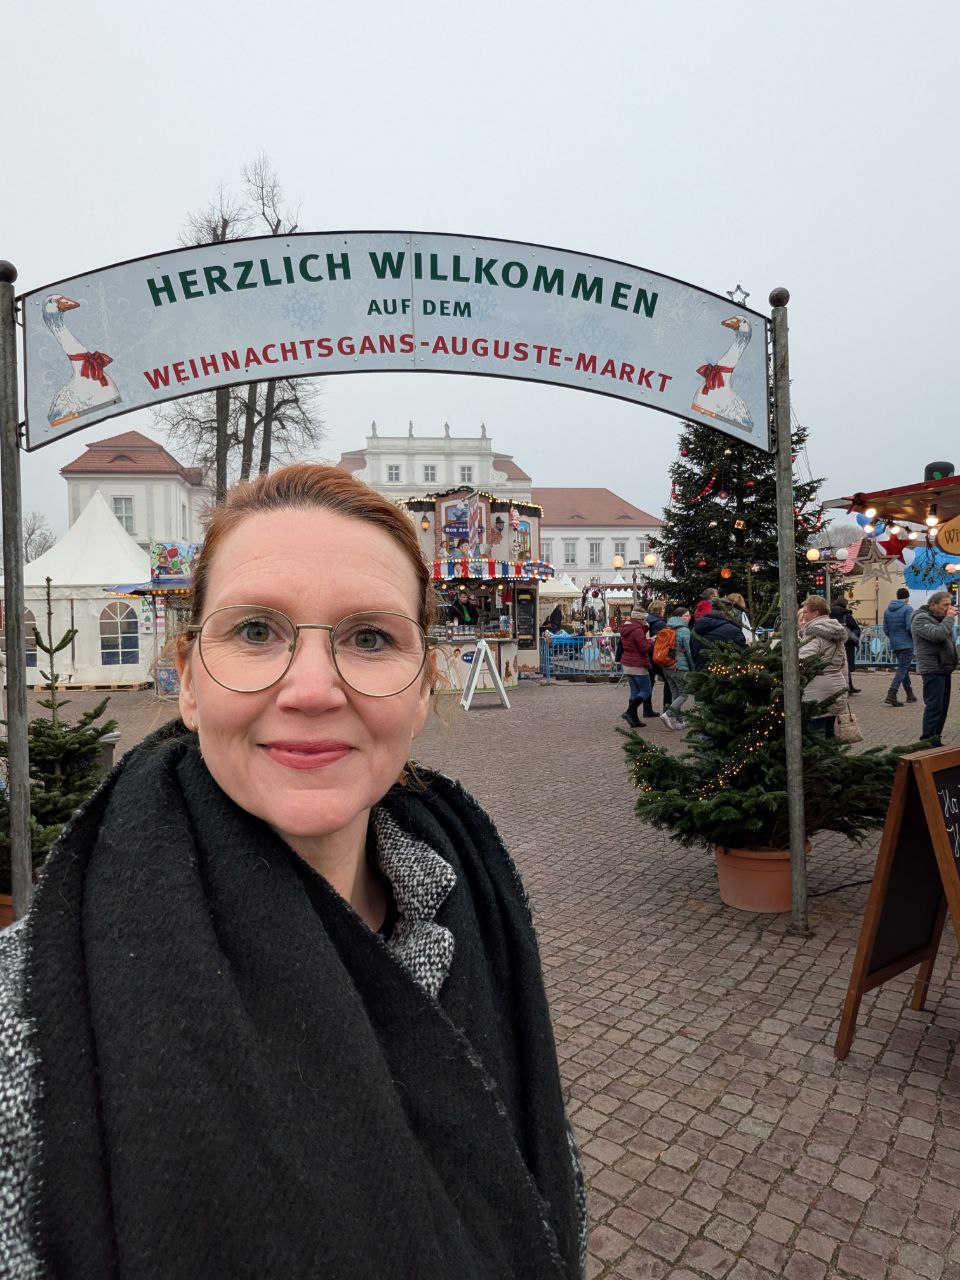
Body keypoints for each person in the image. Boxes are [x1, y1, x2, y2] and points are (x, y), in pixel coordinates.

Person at [0, 465, 584, 1280]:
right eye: (254, 631)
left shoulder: (480, 918)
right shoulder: (28, 1009)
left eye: (370, 638)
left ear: (422, 690)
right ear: (188, 680)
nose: (312, 689)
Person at [911, 589, 959, 743]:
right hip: (933, 668)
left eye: (950, 605)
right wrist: (949, 618)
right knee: (934, 707)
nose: (948, 608)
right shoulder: (920, 619)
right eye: (945, 605)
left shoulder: (939, 619)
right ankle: (927, 740)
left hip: (944, 668)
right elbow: (938, 635)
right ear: (933, 605)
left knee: (942, 708)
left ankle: (936, 739)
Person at [799, 595, 849, 736]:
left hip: (817, 688)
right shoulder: (835, 629)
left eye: (806, 612)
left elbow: (804, 659)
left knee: (816, 734)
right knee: (830, 732)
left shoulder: (815, 632)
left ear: (816, 613)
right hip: (836, 686)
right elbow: (843, 661)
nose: (803, 615)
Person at [659, 605, 694, 730]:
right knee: (684, 693)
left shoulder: (667, 627)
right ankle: (667, 714)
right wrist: (693, 668)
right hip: (679, 667)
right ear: (679, 617)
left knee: (676, 694)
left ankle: (679, 722)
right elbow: (688, 651)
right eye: (686, 615)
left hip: (667, 666)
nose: (689, 617)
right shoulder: (684, 630)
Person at [882, 587, 917, 707]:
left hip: (895, 644)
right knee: (902, 668)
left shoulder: (887, 610)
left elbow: (885, 629)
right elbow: (909, 627)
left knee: (904, 668)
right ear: (907, 597)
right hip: (906, 644)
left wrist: (893, 637)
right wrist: (914, 639)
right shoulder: (908, 608)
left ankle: (910, 694)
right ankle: (892, 694)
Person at [690, 596, 747, 670]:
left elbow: (693, 654)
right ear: (729, 613)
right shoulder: (733, 631)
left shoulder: (694, 630)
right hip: (724, 674)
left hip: (699, 673)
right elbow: (743, 656)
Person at [619, 606, 653, 728]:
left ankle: (634, 720)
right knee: (646, 691)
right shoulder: (637, 630)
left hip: (627, 663)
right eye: (644, 619)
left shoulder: (626, 627)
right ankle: (629, 712)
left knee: (634, 692)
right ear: (640, 618)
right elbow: (644, 648)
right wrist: (651, 641)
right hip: (637, 664)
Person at [829, 598, 862, 694]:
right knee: (846, 665)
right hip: (847, 643)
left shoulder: (829, 615)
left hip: (833, 642)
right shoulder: (846, 615)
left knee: (836, 665)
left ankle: (849, 686)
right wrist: (854, 637)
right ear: (845, 605)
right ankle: (847, 688)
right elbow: (856, 628)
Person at [643, 603, 668, 718]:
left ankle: (647, 709)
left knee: (649, 683)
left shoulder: (645, 621)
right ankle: (667, 709)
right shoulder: (661, 623)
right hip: (658, 656)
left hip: (647, 656)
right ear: (660, 610)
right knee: (668, 682)